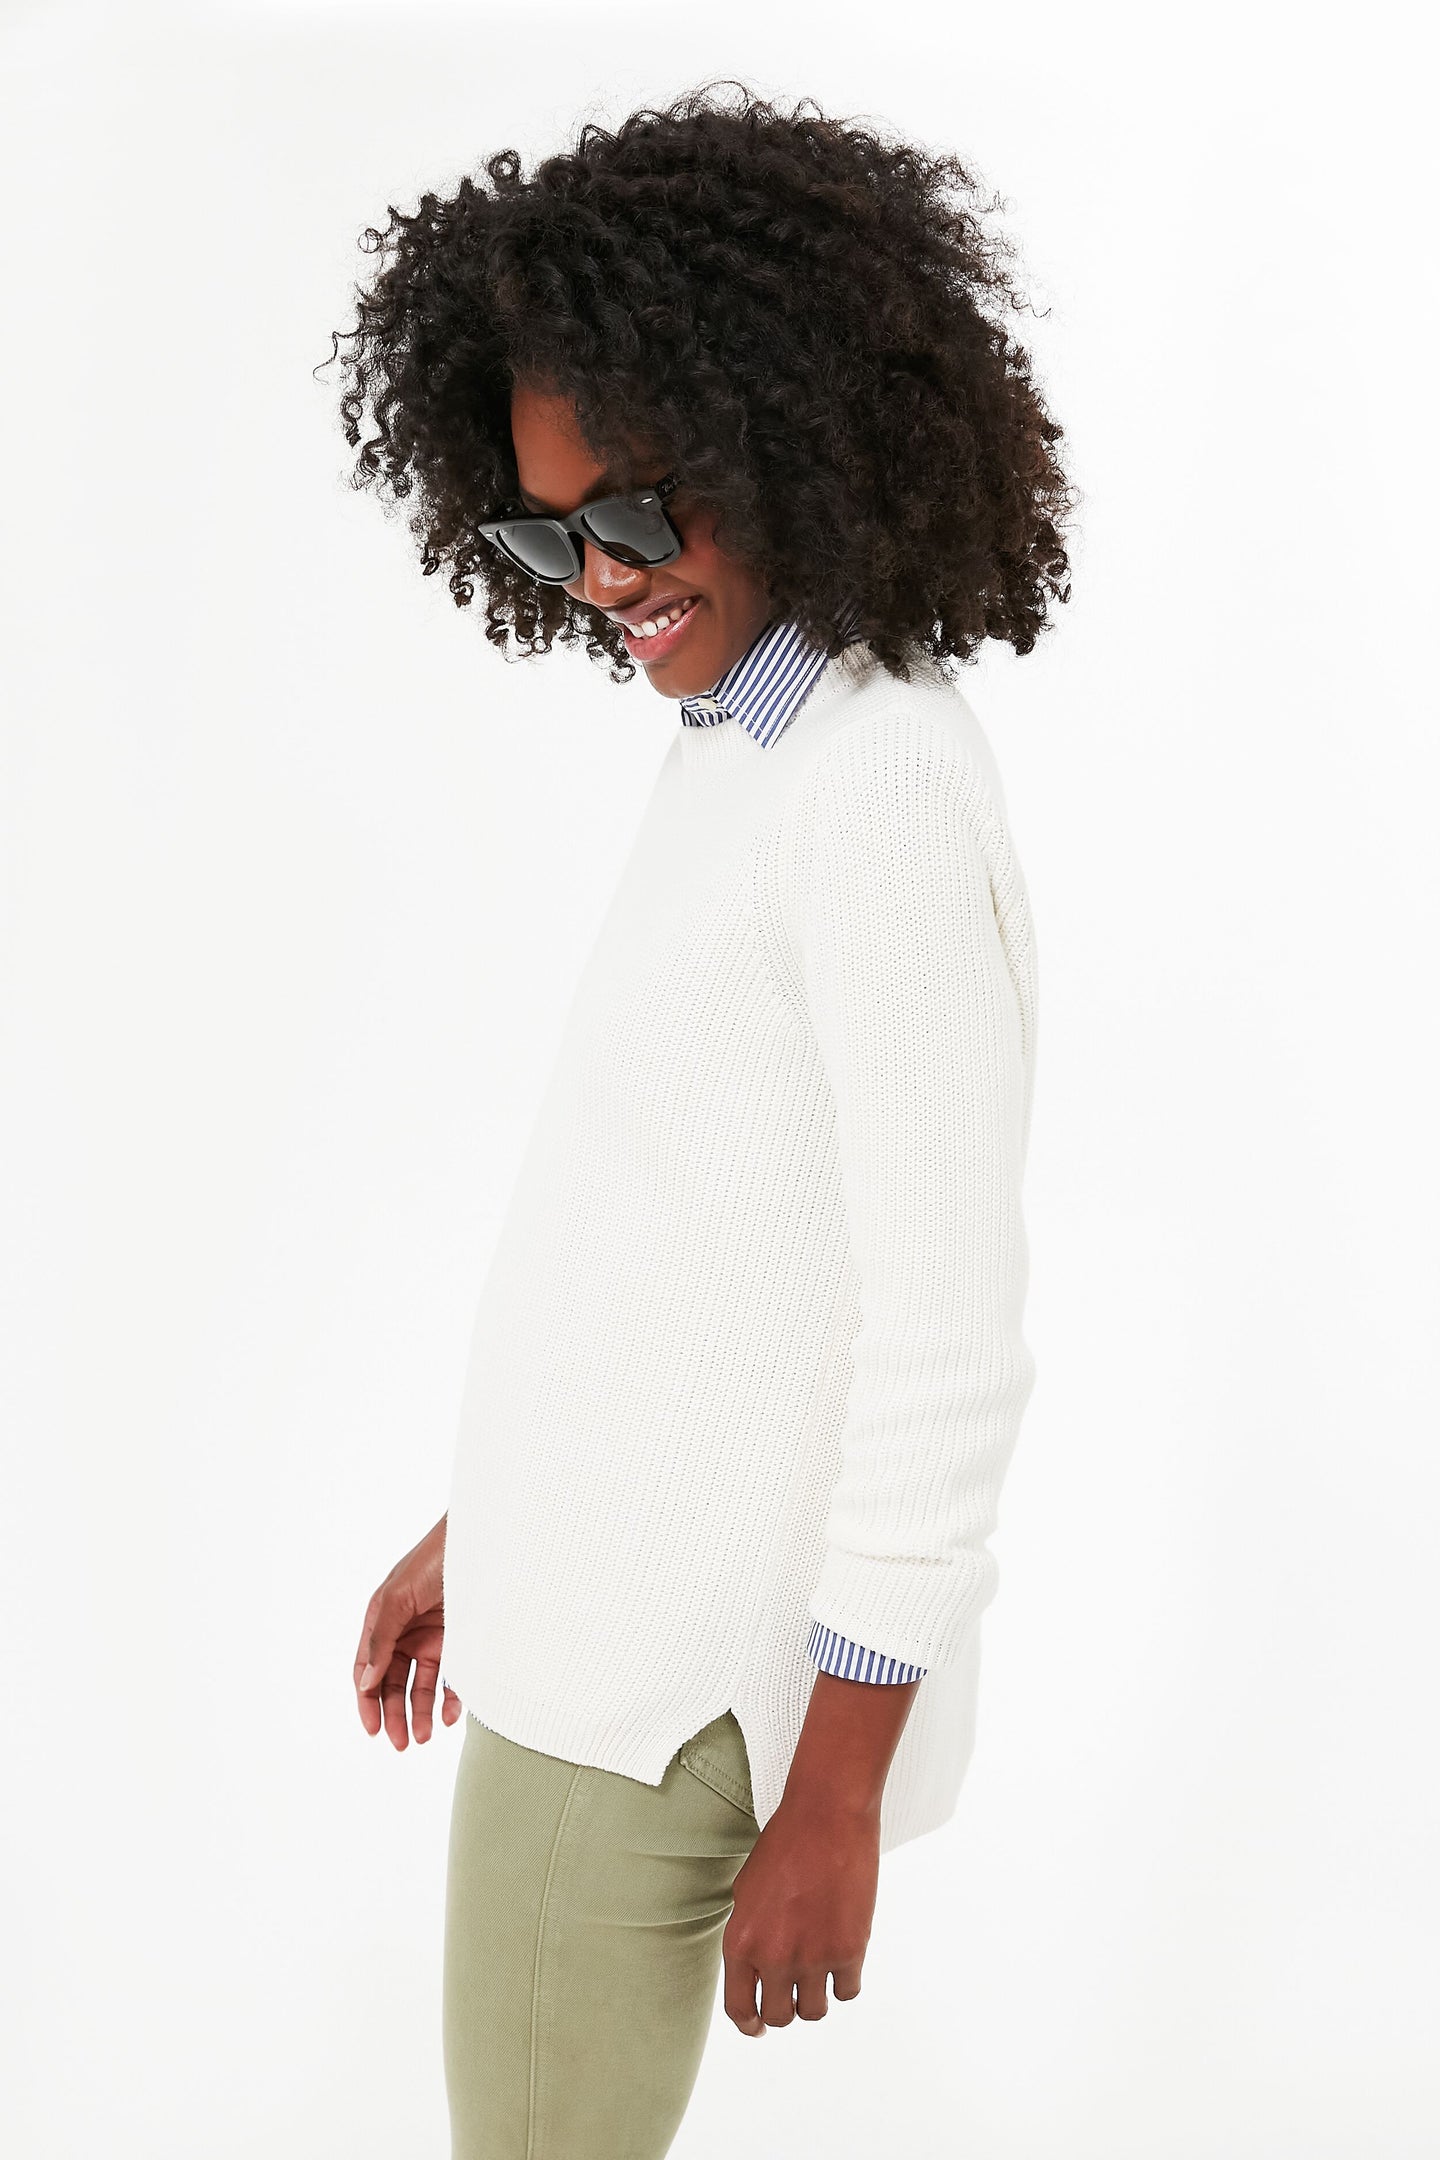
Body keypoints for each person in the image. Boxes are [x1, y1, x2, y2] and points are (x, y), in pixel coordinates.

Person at [325, 79, 1072, 2160]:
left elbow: (947, 1345)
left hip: (656, 1709)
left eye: (640, 518)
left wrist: (839, 1785)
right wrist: (496, 1522)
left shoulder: (878, 786)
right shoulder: (748, 744)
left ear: (789, 438)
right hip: (585, 1636)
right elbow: (693, 1254)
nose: (601, 581)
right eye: (546, 535)